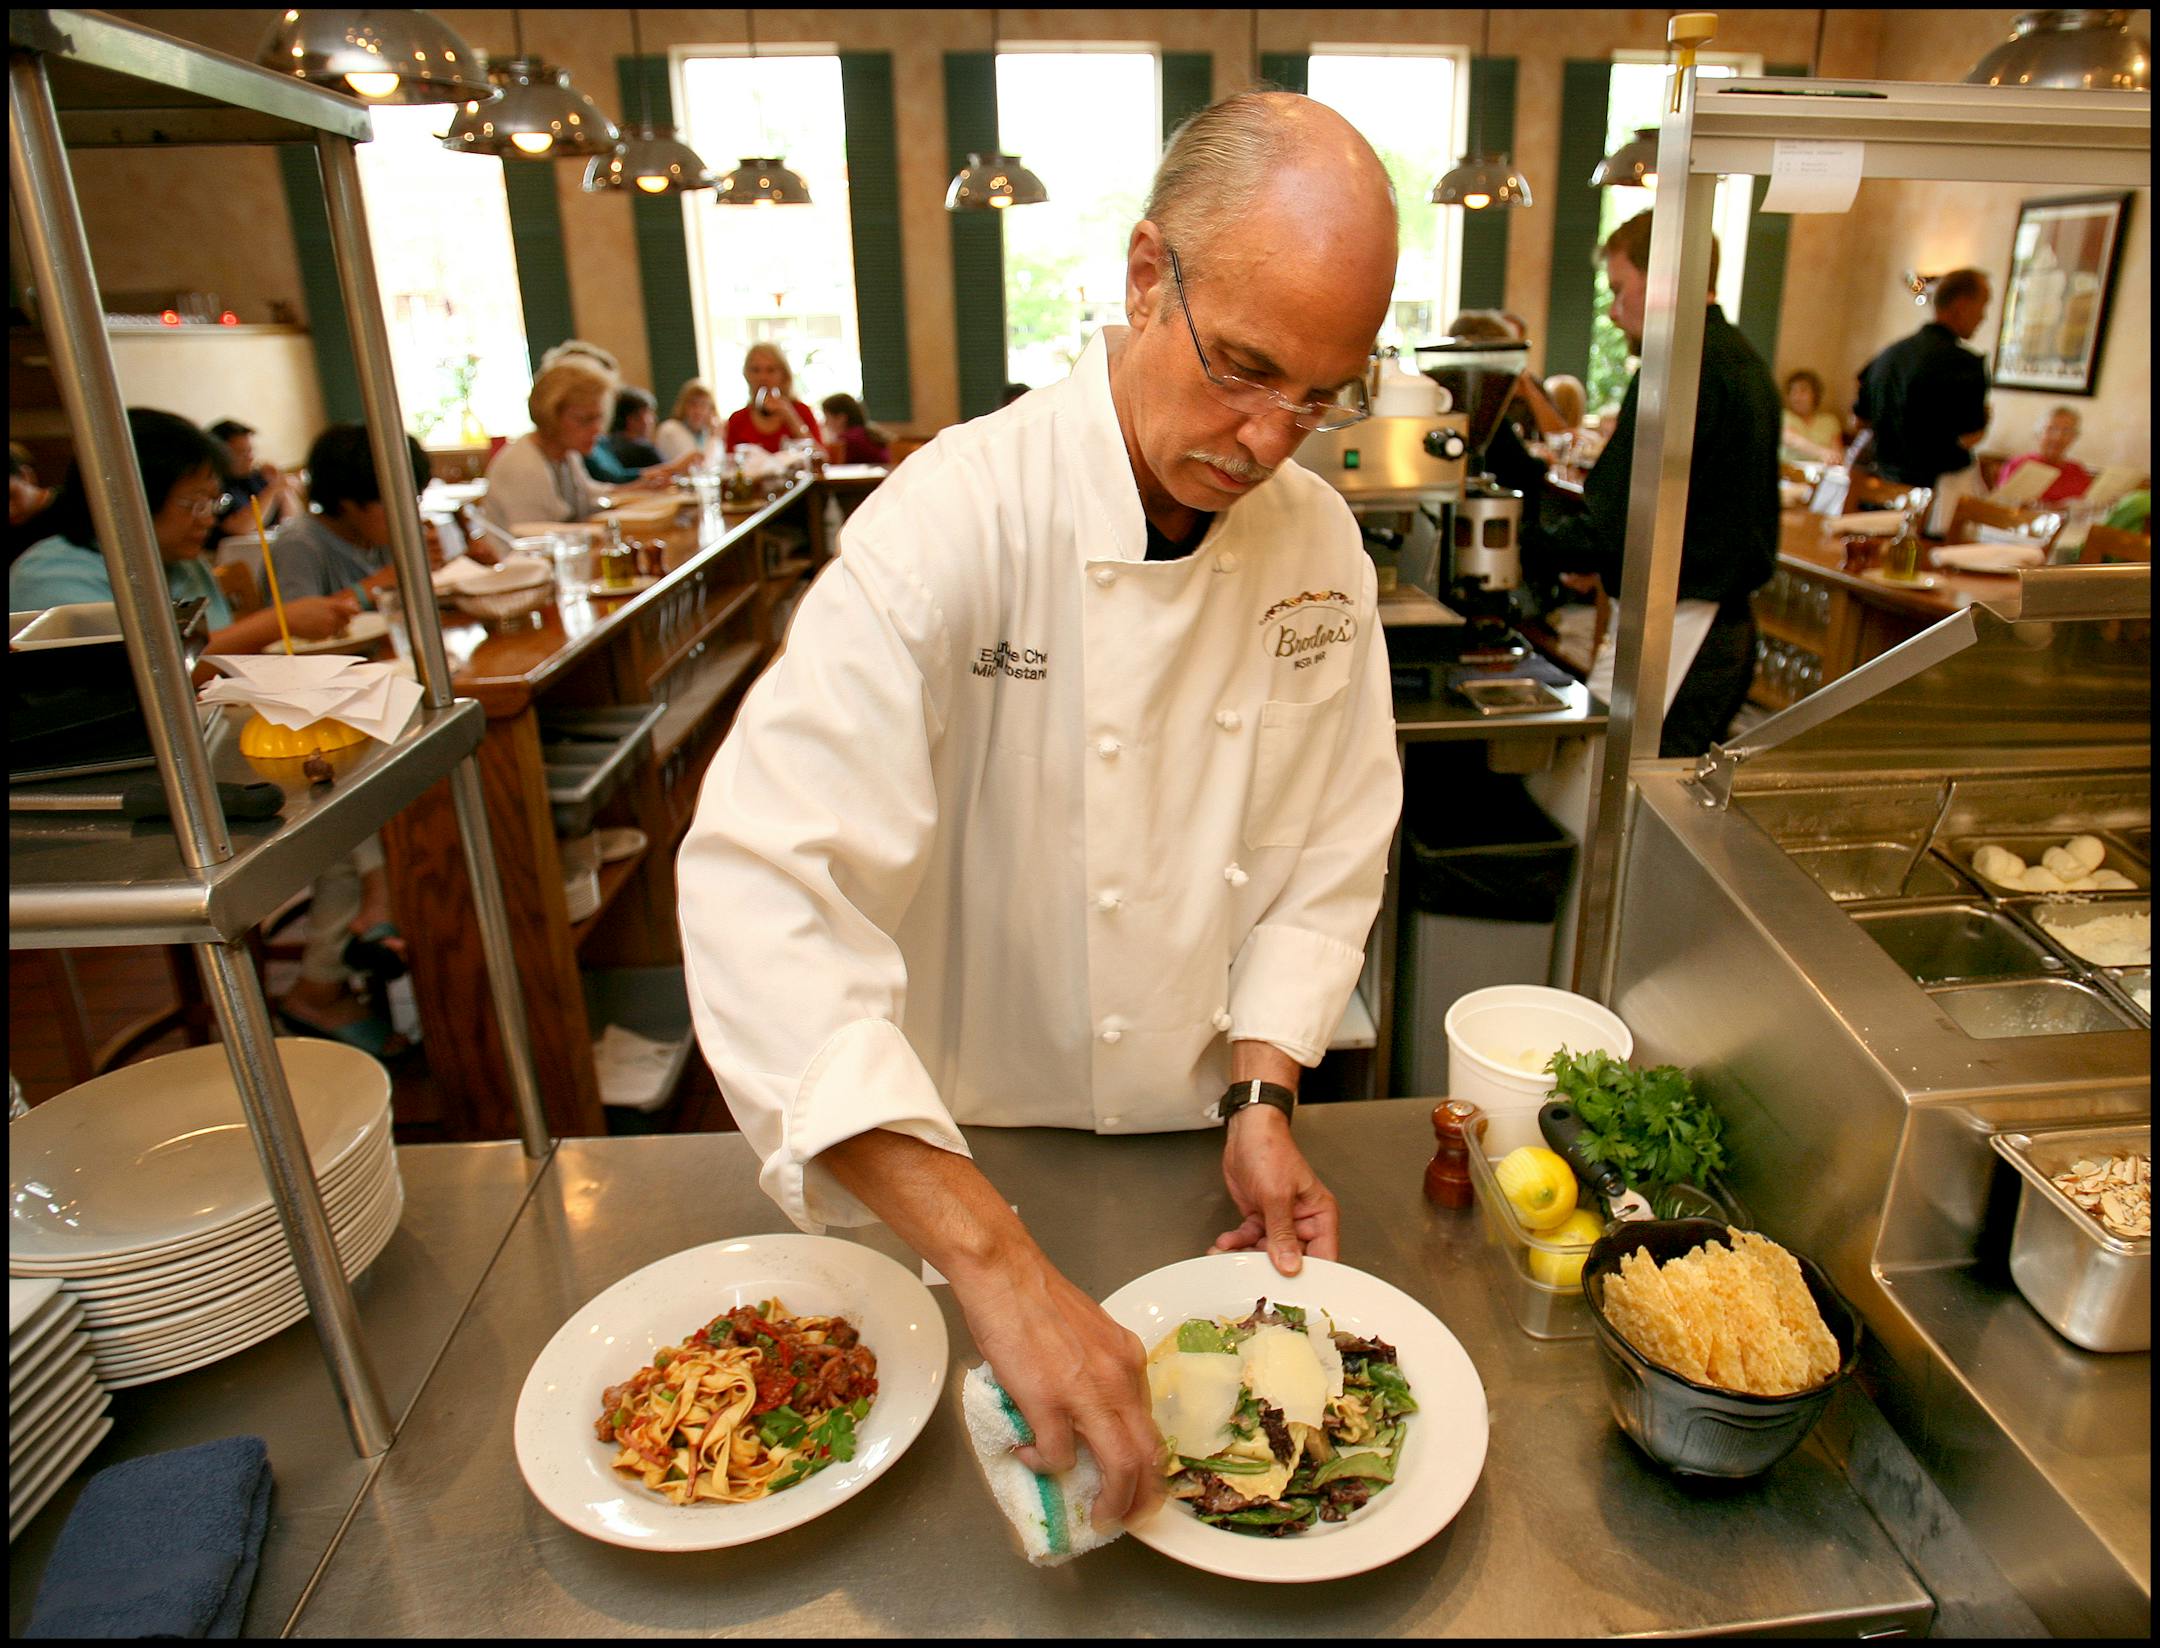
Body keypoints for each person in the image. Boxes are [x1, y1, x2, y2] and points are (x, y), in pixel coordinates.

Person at [678, 90, 1403, 1534]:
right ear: (1148, 276)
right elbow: (763, 890)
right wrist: (998, 1264)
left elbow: (1329, 848)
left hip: (1197, 1173)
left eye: (1322, 395)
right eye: (1245, 368)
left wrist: (1263, 1091)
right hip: (958, 1174)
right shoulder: (958, 518)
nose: (1271, 440)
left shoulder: (1319, 541)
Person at [1492, 211, 1779, 758]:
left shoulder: (1679, 368)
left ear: (1667, 278)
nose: (1615, 310)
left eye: (1622, 289)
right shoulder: (1736, 358)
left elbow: (1612, 519)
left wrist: (1526, 537)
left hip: (1684, 624)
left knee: (1609, 781)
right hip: (1708, 624)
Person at [11, 408, 355, 662]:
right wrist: (279, 621)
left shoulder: (182, 564)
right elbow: (145, 680)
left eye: (212, 501)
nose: (207, 519)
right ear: (130, 497)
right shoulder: (51, 578)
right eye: (193, 503)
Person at [1853, 269, 1992, 534]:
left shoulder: (1887, 357)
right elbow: (1971, 436)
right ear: (1961, 306)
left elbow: (1859, 420)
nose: (1983, 317)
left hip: (1879, 492)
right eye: (1983, 306)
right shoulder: (1964, 365)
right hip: (1936, 503)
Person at [265, 425, 442, 608]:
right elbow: (293, 622)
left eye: (414, 499)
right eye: (391, 503)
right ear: (346, 501)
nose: (407, 514)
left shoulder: (377, 537)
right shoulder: (298, 545)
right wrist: (380, 582)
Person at [482, 359, 612, 531]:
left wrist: (639, 485)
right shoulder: (523, 467)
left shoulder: (566, 453)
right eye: (584, 420)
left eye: (598, 418)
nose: (598, 430)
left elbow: (590, 496)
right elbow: (535, 535)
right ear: (550, 417)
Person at [204, 419, 300, 548]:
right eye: (241, 453)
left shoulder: (255, 477)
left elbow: (292, 520)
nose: (250, 457)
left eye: (250, 451)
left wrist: (281, 486)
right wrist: (272, 490)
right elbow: (240, 528)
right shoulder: (215, 485)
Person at [585, 387, 700, 489]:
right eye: (648, 413)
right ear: (632, 419)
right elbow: (615, 479)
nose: (653, 419)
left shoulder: (606, 442)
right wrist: (673, 468)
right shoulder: (642, 448)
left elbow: (619, 477)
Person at [723, 343, 822, 455]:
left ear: (784, 375)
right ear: (747, 375)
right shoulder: (737, 420)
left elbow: (821, 458)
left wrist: (791, 419)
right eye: (756, 370)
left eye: (770, 370)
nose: (763, 377)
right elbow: (730, 464)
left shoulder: (801, 411)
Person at [1998, 406, 2095, 504]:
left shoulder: (2077, 470)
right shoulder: (2018, 465)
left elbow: (2087, 505)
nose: (2058, 437)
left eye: (2066, 431)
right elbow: (2004, 505)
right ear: (2038, 433)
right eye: (2051, 429)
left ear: (2074, 437)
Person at [1779, 370, 1844, 465]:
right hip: (1789, 471)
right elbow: (1791, 440)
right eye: (1793, 391)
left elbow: (1837, 454)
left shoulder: (1830, 421)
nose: (1797, 397)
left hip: (1822, 473)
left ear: (1815, 394)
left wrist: (1833, 458)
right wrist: (1822, 452)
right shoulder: (1784, 416)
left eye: (1803, 391)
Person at [655, 379, 721, 464]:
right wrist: (714, 438)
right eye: (693, 404)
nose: (698, 411)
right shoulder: (670, 429)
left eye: (703, 405)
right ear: (683, 406)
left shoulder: (707, 432)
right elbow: (698, 466)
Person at [818, 393, 892, 466]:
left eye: (827, 417)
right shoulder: (864, 432)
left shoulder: (848, 440)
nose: (825, 423)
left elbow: (836, 468)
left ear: (841, 418)